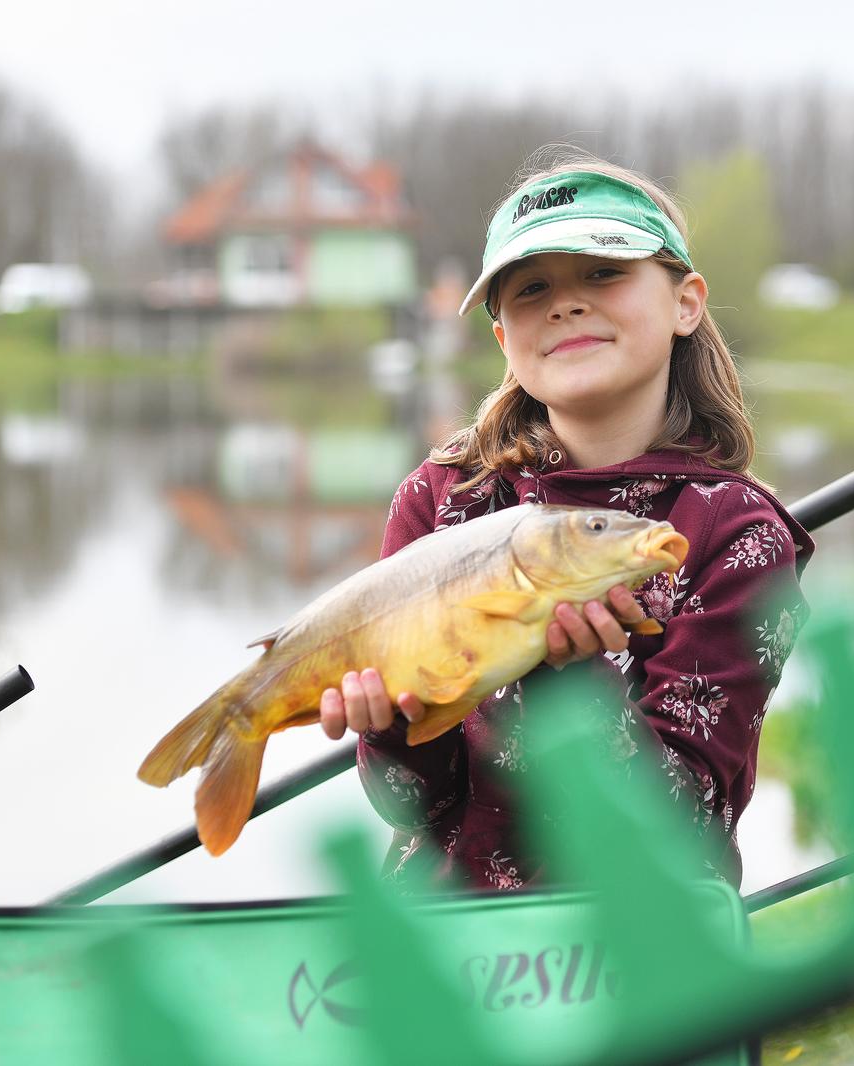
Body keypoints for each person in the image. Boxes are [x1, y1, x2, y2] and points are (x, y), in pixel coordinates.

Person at [318, 150, 815, 894]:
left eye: (604, 273)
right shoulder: (443, 498)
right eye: (532, 288)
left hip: (646, 939)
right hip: (450, 938)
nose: (565, 304)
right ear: (503, 342)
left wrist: (571, 685)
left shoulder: (735, 536)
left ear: (687, 303)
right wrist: (386, 724)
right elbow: (409, 804)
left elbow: (683, 825)